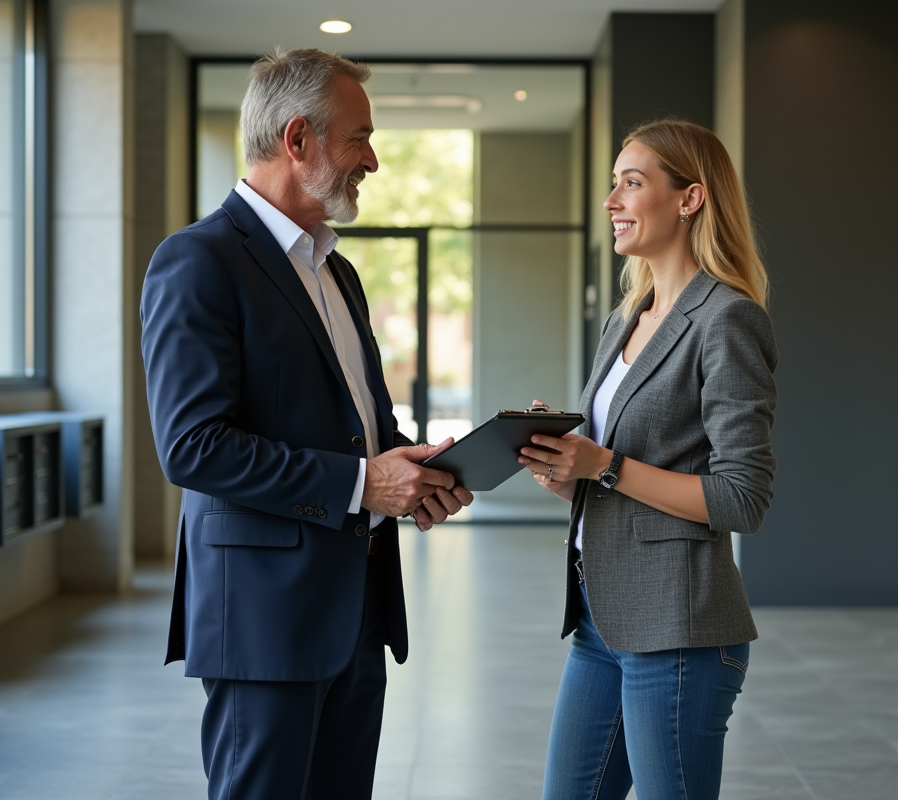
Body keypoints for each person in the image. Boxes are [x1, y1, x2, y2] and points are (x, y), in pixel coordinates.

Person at [140, 48, 473, 800]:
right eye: (360, 139)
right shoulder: (198, 260)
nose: (373, 161)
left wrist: (415, 470)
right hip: (264, 619)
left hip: (356, 611)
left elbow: (362, 429)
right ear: (298, 139)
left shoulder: (337, 272)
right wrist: (363, 484)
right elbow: (192, 447)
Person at [519, 119, 778, 800]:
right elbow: (616, 475)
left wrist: (601, 465)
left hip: (679, 630)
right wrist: (565, 470)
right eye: (613, 184)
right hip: (601, 617)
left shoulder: (726, 319)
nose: (611, 201)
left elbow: (743, 498)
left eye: (631, 183)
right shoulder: (625, 319)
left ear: (690, 198)